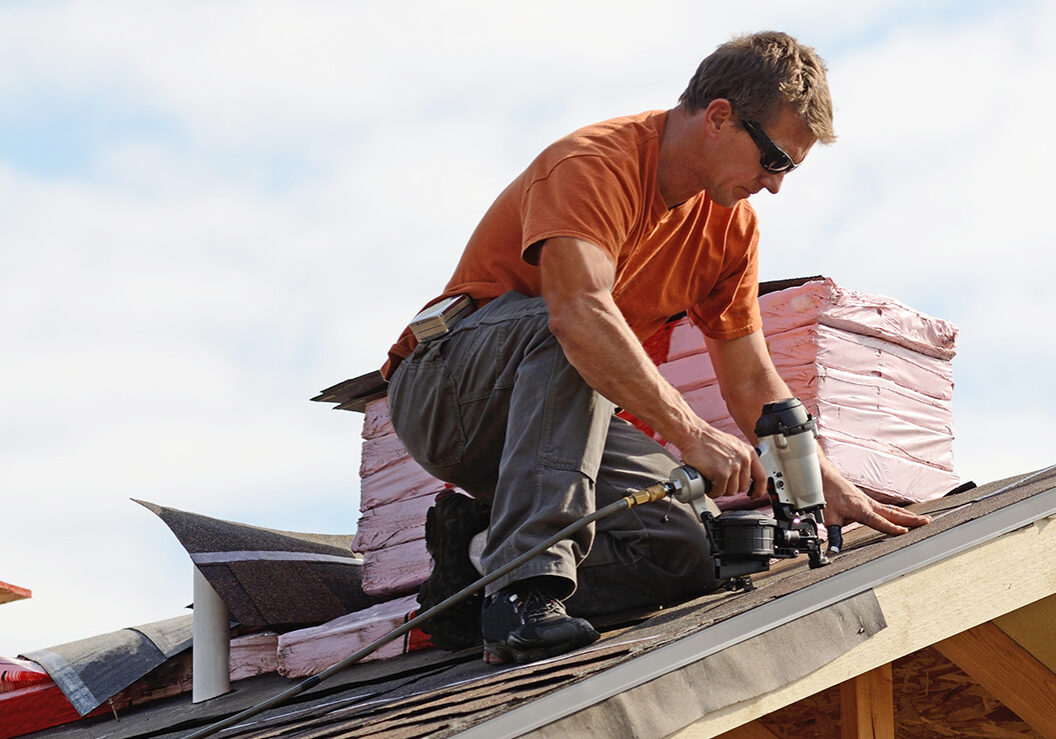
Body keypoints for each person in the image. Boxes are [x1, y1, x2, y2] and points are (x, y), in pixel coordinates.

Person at [381, 31, 931, 665]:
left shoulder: (731, 226)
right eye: (775, 159)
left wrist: (825, 482)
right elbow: (578, 315)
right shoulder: (592, 163)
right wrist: (691, 433)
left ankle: (471, 576)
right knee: (580, 330)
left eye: (791, 169)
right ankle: (523, 595)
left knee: (682, 550)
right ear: (720, 116)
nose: (776, 185)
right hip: (447, 392)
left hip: (555, 419)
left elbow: (751, 380)